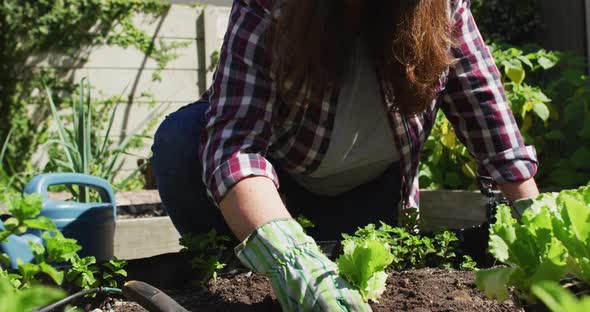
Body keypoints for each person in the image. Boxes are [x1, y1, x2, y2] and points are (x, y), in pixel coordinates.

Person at [151, 0, 540, 310]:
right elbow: (235, 145)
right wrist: (288, 257)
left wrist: (537, 230)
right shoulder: (269, 7)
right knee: (180, 139)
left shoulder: (444, 7)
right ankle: (242, 270)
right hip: (277, 195)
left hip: (368, 197)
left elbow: (487, 118)